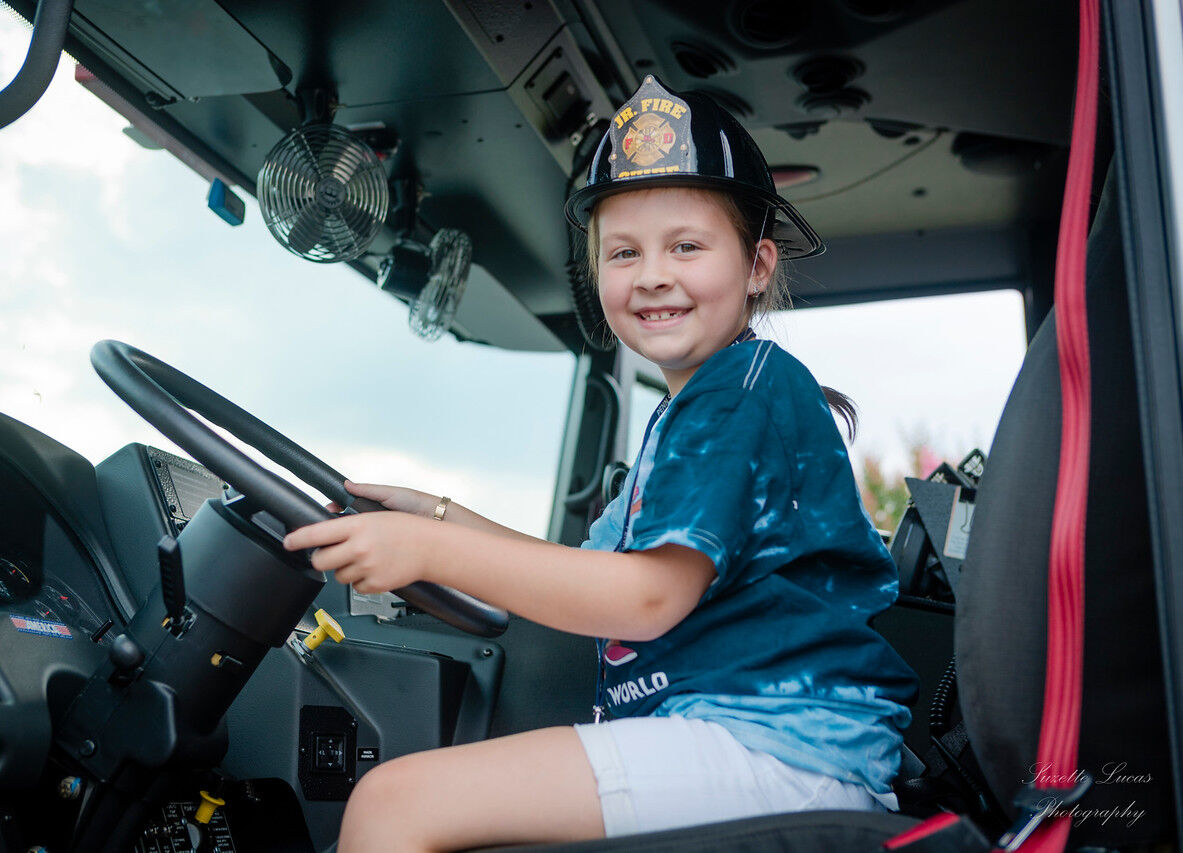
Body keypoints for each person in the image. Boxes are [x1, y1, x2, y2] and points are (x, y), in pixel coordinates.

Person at [283, 75, 919, 853]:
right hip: (745, 733)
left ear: (756, 266)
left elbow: (646, 599)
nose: (651, 273)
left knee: (393, 803)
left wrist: (431, 551)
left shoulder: (742, 393)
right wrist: (439, 515)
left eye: (685, 245)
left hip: (778, 740)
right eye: (624, 252)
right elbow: (585, 574)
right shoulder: (697, 411)